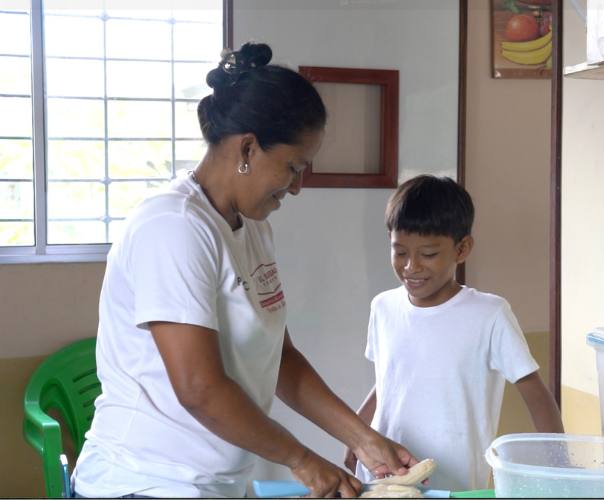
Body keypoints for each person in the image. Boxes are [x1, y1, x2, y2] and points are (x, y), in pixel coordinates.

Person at [72, 42, 418, 499]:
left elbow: (280, 361)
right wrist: (302, 460)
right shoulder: (173, 228)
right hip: (144, 482)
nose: (296, 188)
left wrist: (362, 438)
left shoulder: (251, 227)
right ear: (248, 148)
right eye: (292, 168)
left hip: (215, 485)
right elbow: (199, 388)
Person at [344, 175, 564, 491]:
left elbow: (535, 393)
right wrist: (356, 433)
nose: (411, 267)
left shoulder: (489, 315)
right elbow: (389, 380)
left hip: (453, 484)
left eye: (428, 254)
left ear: (462, 249)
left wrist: (561, 465)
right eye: (400, 252)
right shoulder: (383, 307)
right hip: (382, 475)